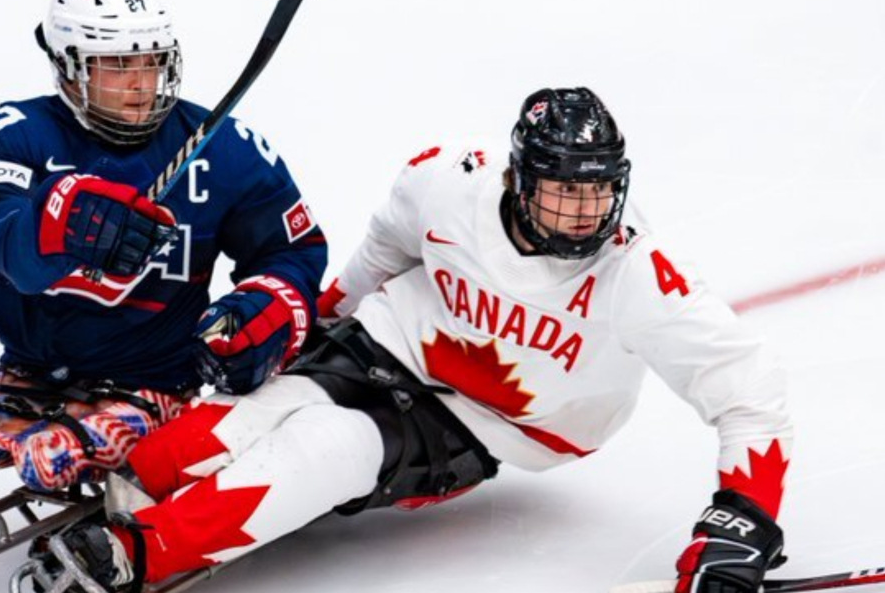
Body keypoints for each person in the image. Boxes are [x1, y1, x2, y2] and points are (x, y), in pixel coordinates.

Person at [48, 87, 792, 593]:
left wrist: (745, 518)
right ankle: (137, 477)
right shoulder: (446, 181)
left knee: (328, 448)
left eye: (598, 192)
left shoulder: (637, 274)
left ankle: (141, 553)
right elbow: (383, 253)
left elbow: (748, 390)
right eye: (565, 191)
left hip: (482, 423)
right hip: (383, 345)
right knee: (245, 420)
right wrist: (318, 319)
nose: (583, 214)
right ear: (519, 178)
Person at [0, 0, 326, 492]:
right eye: (118, 64)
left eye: (153, 62)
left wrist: (268, 309)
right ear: (66, 65)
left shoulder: (227, 149)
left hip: (154, 375)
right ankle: (43, 385)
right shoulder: (13, 135)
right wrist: (61, 221)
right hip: (30, 363)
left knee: (48, 458)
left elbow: (290, 249)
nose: (142, 83)